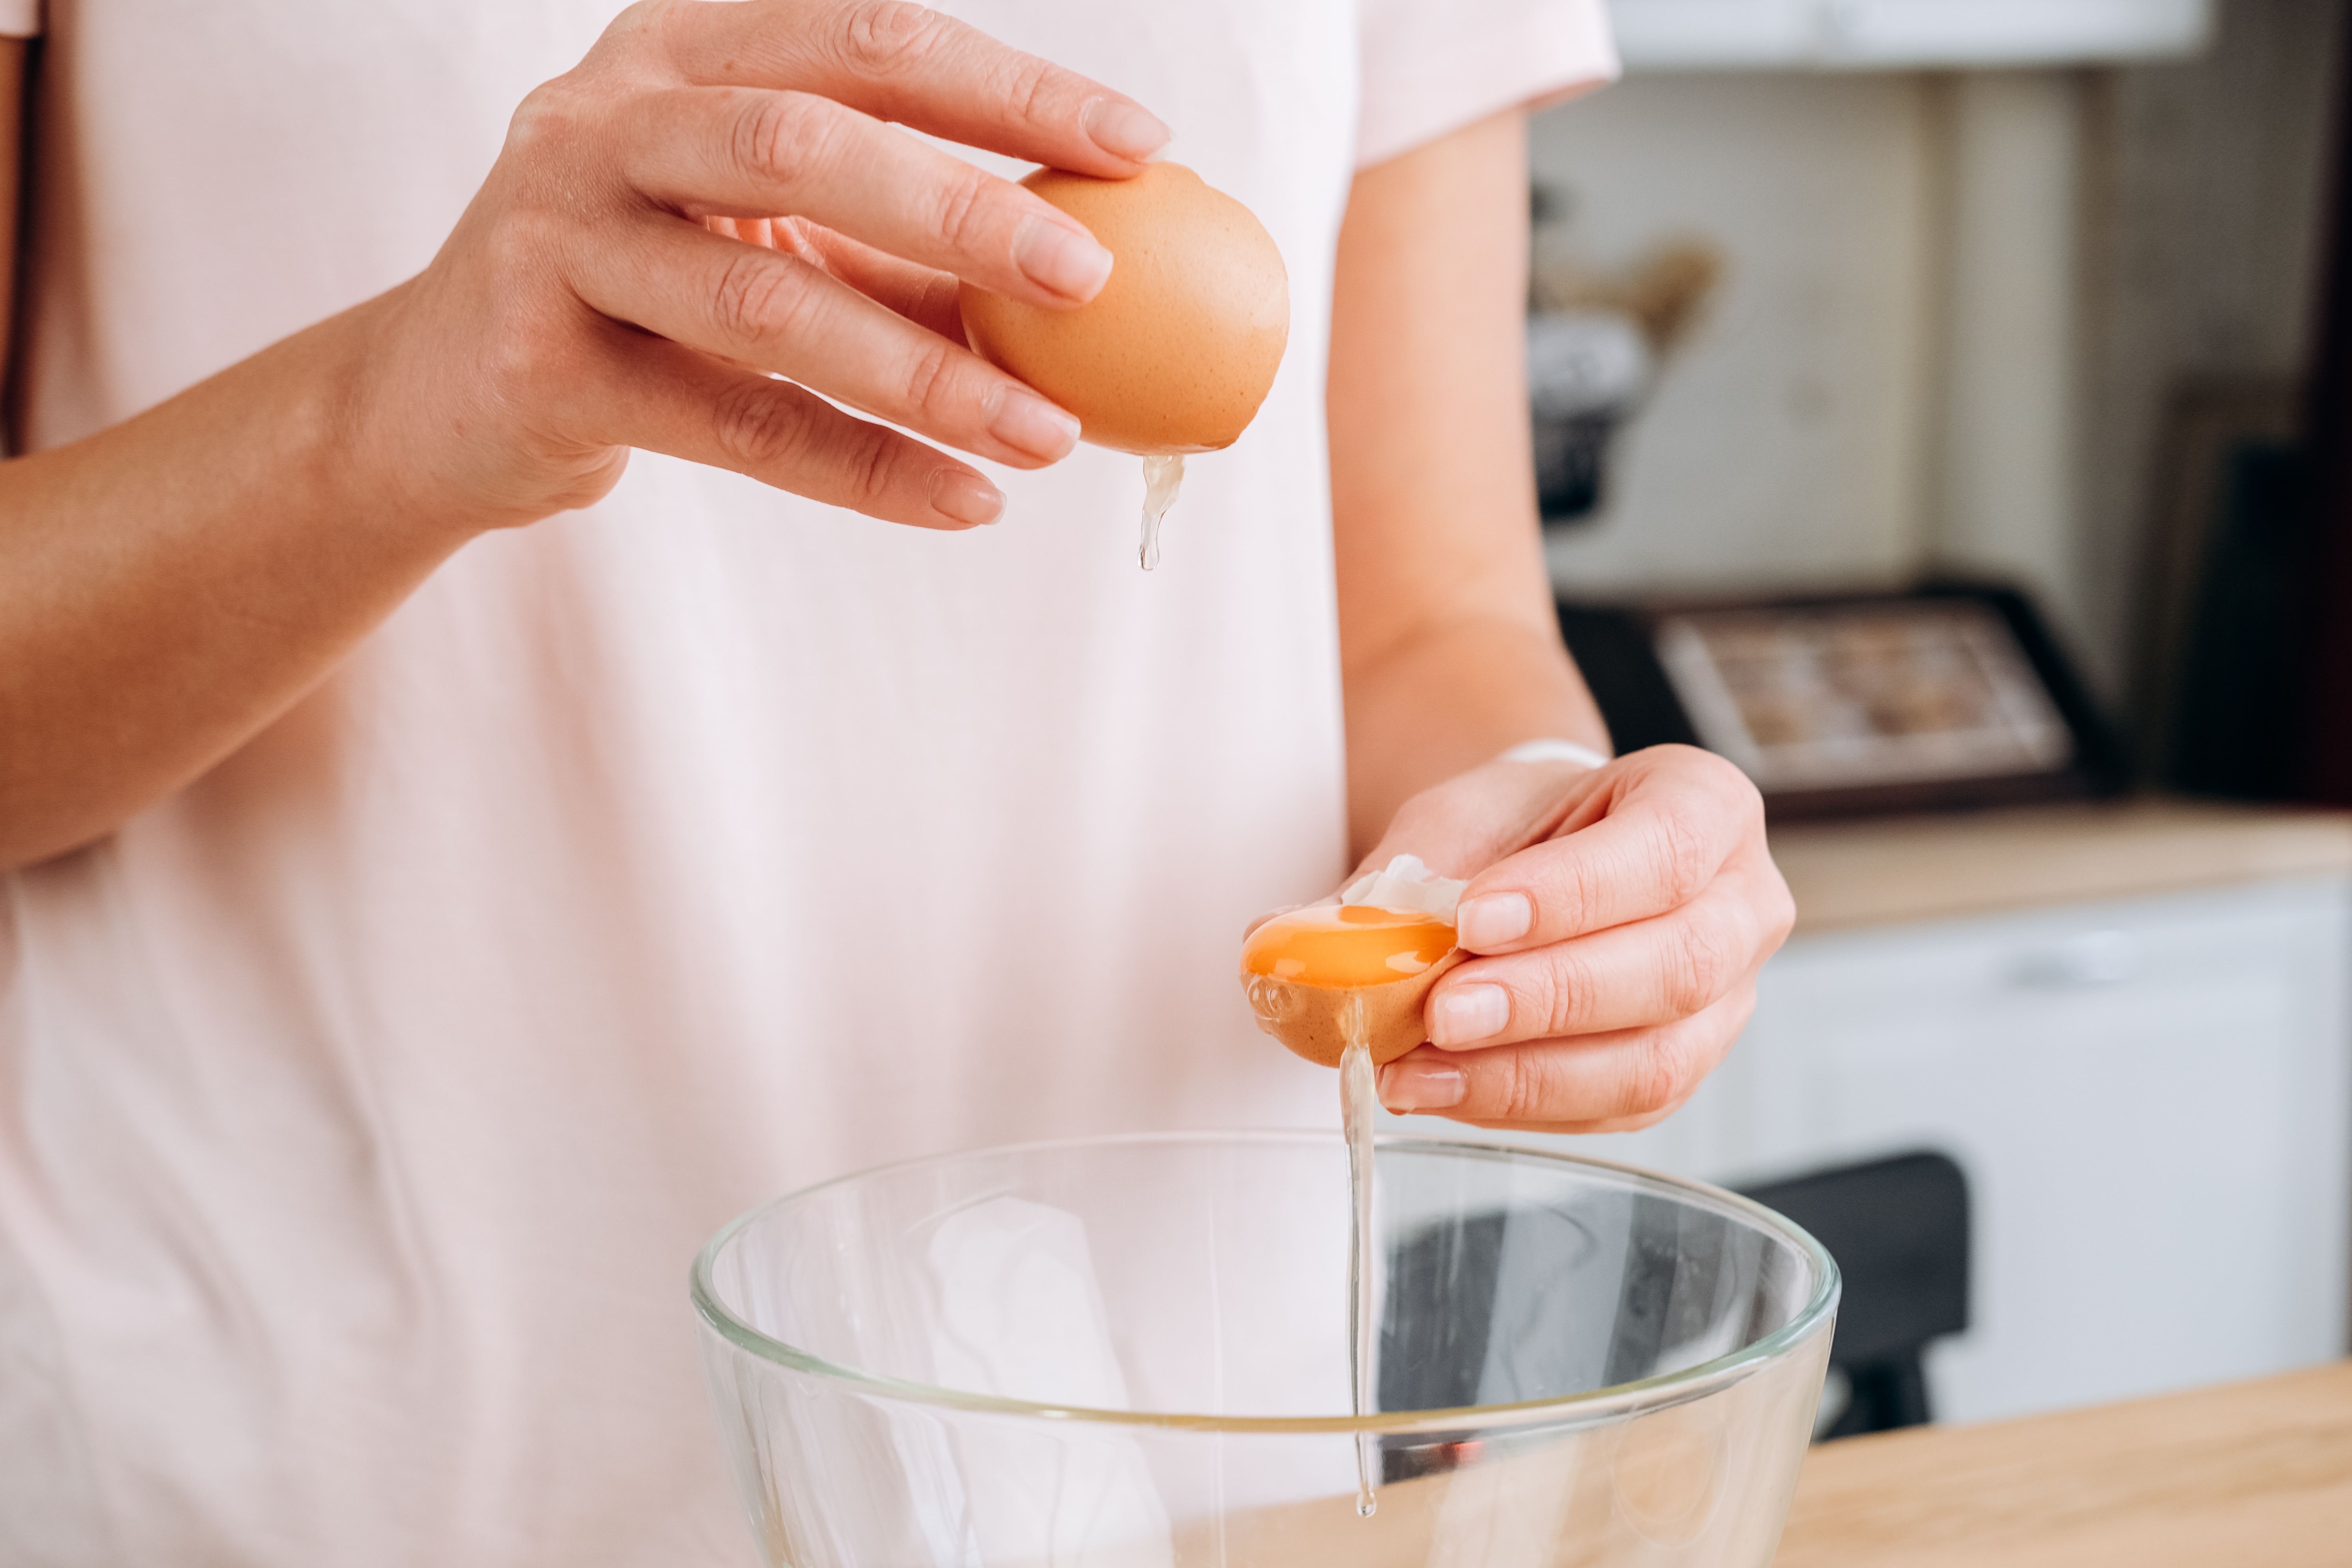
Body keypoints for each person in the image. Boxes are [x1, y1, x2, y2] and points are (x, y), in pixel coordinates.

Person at [0, 0, 1793, 1560]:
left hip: (1161, 1464)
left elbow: (1425, 620)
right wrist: (401, 401)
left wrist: (1541, 828)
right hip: (318, 1468)